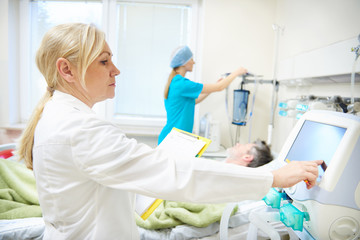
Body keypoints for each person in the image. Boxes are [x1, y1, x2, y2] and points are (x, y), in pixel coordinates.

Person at [17, 23, 322, 239]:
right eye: (104, 61)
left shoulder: (61, 116)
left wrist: (146, 191)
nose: (116, 70)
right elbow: (173, 173)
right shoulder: (78, 127)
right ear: (67, 70)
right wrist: (272, 176)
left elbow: (105, 185)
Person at [158, 46, 247, 144]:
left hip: (175, 138)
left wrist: (211, 90)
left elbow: (194, 101)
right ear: (184, 62)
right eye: (191, 59)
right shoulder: (181, 84)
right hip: (172, 140)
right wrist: (237, 72)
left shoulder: (176, 82)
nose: (194, 62)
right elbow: (220, 87)